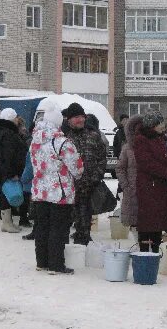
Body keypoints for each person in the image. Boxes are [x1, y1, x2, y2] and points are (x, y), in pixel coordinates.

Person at [30, 108, 83, 275]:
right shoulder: (62, 142)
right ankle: (56, 264)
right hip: (59, 193)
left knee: (42, 227)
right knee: (58, 229)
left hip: (40, 191)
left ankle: (42, 262)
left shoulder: (35, 141)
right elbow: (77, 169)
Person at [133, 110, 167, 253]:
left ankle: (156, 250)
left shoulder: (160, 138)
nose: (163, 125)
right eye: (160, 123)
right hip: (148, 187)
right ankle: (145, 250)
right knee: (147, 221)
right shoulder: (141, 139)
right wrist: (166, 172)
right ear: (153, 125)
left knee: (158, 221)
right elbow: (146, 163)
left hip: (160, 187)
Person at [63, 103, 106, 245]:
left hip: (88, 186)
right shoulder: (63, 137)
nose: (80, 119)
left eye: (82, 116)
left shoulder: (93, 135)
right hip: (68, 189)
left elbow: (102, 158)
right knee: (66, 221)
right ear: (68, 119)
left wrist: (96, 177)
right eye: (76, 117)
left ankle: (84, 240)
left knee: (86, 218)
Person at [0, 108, 28, 233]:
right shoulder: (9, 134)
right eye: (16, 117)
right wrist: (13, 173)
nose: (18, 119)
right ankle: (7, 223)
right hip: (8, 170)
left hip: (2, 169)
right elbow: (9, 156)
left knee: (5, 194)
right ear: (12, 119)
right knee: (7, 195)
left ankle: (8, 222)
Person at [115, 115, 142, 236]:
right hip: (132, 190)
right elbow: (120, 168)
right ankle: (139, 248)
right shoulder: (127, 148)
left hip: (148, 190)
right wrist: (126, 186)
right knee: (134, 221)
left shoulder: (151, 146)